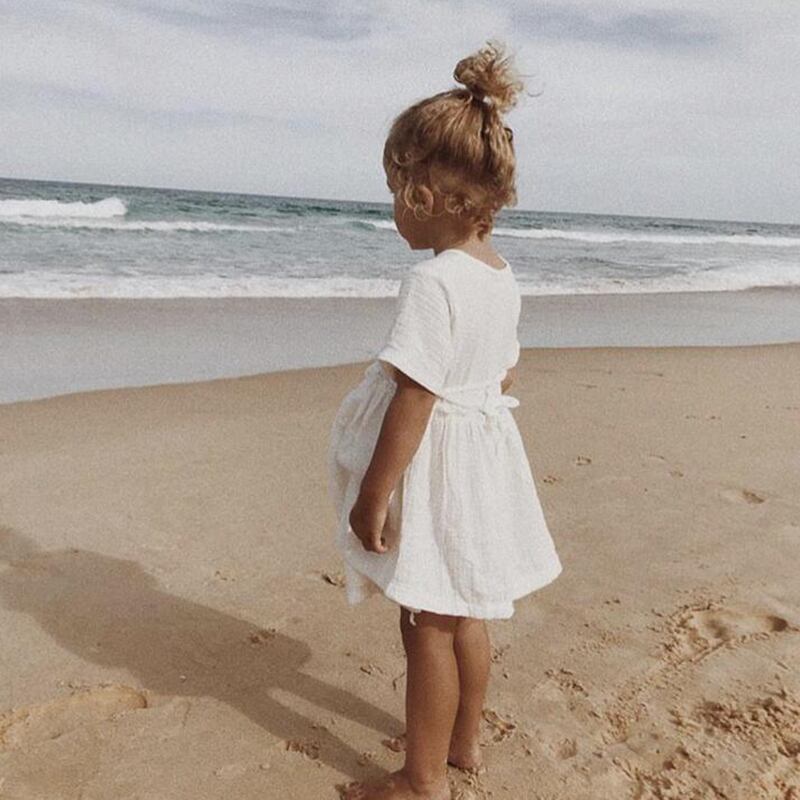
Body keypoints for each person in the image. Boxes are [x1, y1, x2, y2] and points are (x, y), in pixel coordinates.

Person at [327, 39, 563, 800]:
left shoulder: (432, 283)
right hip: (484, 459)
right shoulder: (499, 275)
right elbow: (503, 370)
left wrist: (373, 493)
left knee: (425, 620)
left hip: (438, 466)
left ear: (423, 195)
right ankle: (463, 744)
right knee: (468, 611)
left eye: (393, 193)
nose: (393, 210)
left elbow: (416, 396)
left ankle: (421, 778)